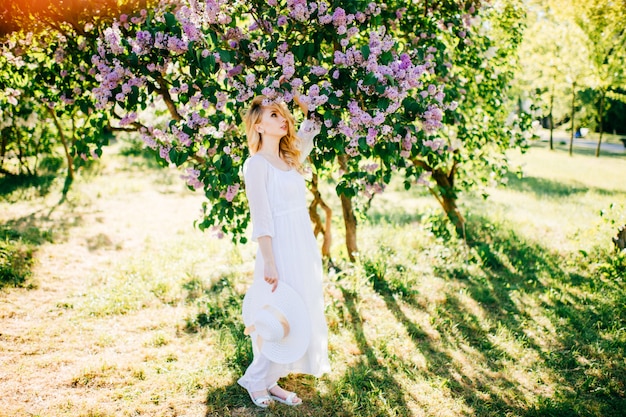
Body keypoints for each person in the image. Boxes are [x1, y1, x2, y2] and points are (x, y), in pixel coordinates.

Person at [237, 94, 331, 408]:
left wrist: (301, 100)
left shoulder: (290, 158)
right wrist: (269, 262)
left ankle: (270, 380)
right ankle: (255, 378)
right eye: (274, 115)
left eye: (282, 114)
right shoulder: (256, 165)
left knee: (299, 309)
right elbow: (261, 217)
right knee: (277, 313)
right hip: (277, 246)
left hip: (301, 241)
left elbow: (312, 124)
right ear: (259, 125)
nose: (282, 119)